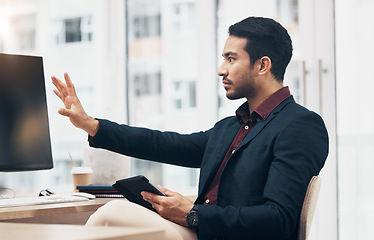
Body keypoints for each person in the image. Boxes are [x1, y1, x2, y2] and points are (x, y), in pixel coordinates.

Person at [52, 16, 329, 240]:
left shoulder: (300, 126)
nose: (222, 69)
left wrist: (193, 214)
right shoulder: (231, 128)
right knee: (113, 219)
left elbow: (278, 219)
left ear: (262, 65)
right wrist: (90, 124)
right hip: (198, 230)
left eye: (231, 59)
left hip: (215, 232)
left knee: (110, 215)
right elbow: (164, 144)